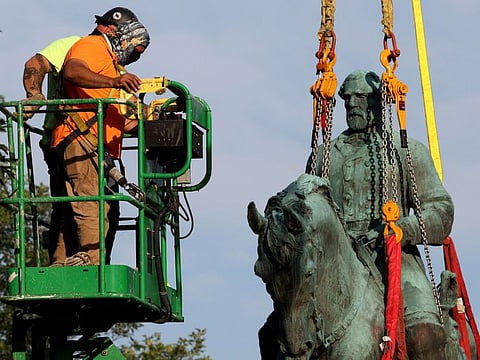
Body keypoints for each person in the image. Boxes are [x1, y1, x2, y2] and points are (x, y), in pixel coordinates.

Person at [306, 70, 454, 358]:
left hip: (395, 257)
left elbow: (442, 211)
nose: (352, 104)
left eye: (361, 97)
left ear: (379, 102)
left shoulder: (406, 151)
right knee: (276, 330)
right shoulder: (323, 155)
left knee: (424, 334)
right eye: (347, 98)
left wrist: (403, 229)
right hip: (336, 265)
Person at [50, 7, 150, 266]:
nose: (131, 54)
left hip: (95, 145)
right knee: (91, 203)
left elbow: (123, 122)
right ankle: (93, 266)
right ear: (110, 29)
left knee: (90, 207)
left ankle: (63, 263)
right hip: (81, 138)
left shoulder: (110, 65)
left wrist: (153, 119)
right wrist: (116, 82)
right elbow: (72, 71)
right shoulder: (93, 45)